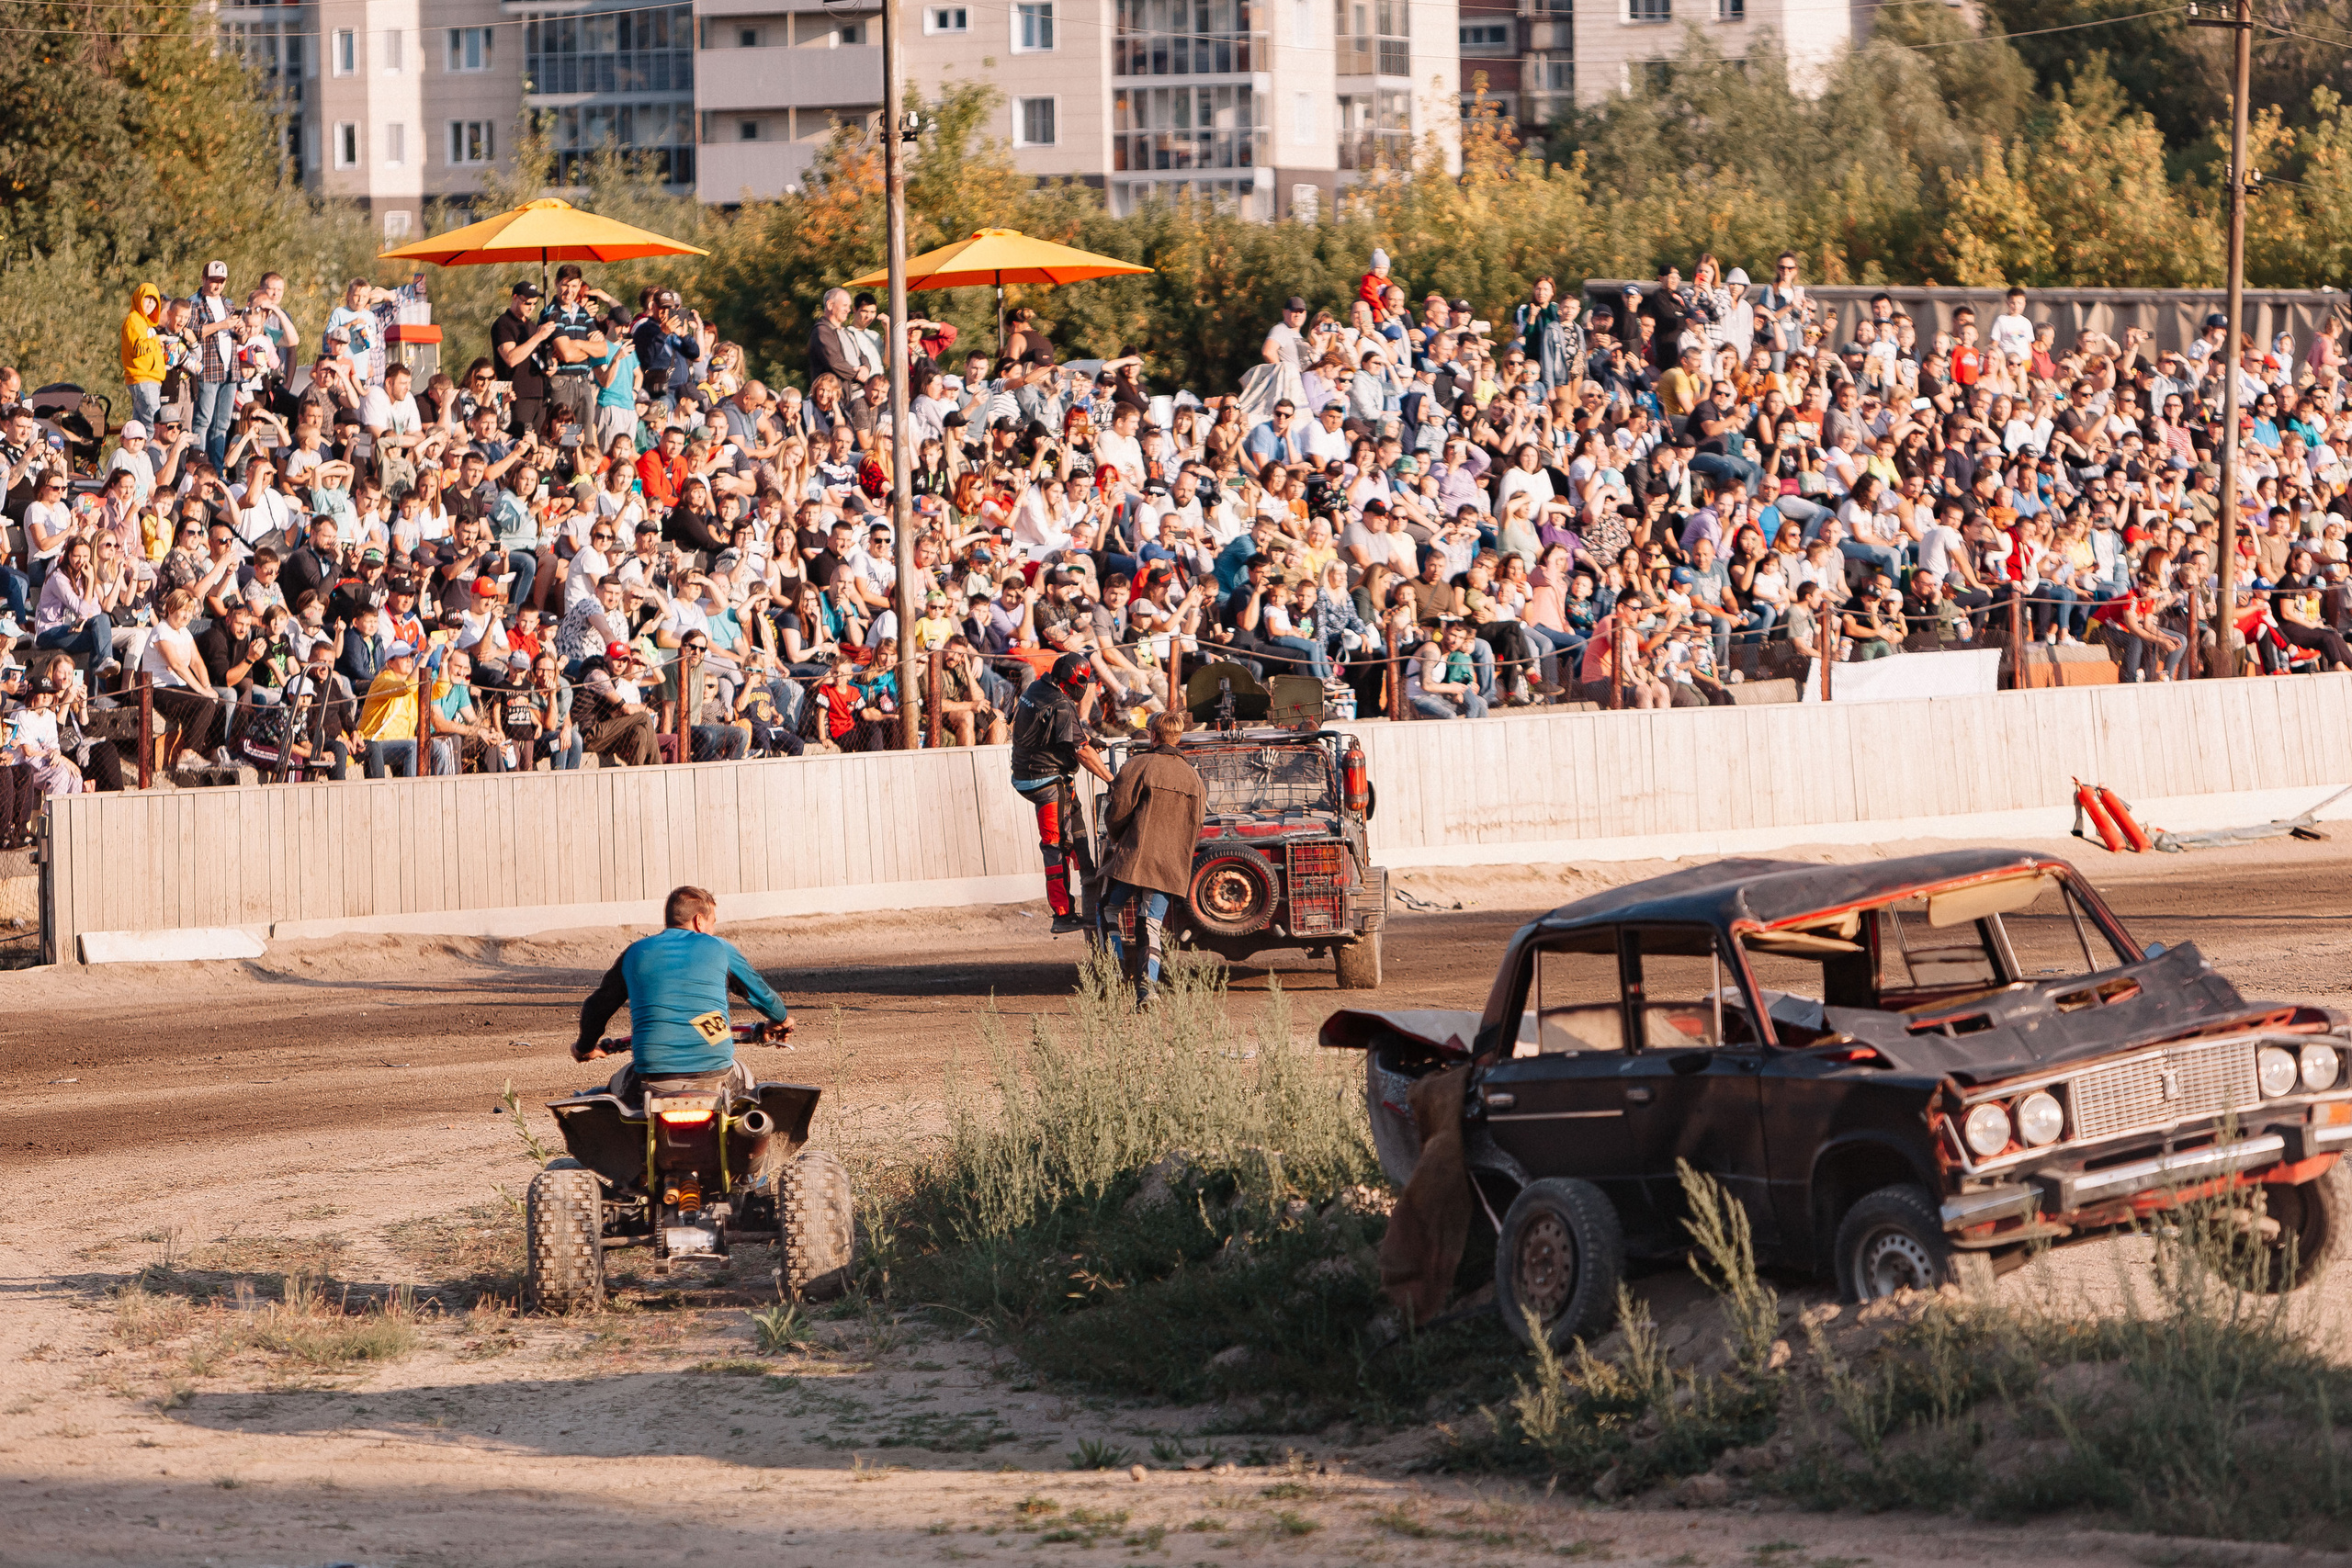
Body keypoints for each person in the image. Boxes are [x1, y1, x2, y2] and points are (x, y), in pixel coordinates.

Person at [571, 885, 793, 1115]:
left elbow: (596, 1008)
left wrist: (585, 1048)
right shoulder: (719, 948)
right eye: (713, 922)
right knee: (749, 1089)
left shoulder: (635, 953)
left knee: (610, 1092)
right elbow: (764, 997)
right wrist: (782, 1019)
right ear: (699, 921)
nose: (713, 930)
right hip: (715, 1076)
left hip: (653, 1079)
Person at [1095, 709, 1204, 1005]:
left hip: (1136, 860)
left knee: (1107, 909)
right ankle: (1147, 991)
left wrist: (1118, 837)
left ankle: (1114, 974)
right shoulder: (1193, 778)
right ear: (1178, 737)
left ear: (1154, 735)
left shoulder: (1139, 764)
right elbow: (1198, 823)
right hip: (1171, 866)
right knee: (1150, 923)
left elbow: (1117, 811)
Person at [1010, 650, 1115, 934]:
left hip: (1037, 775)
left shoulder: (1039, 686)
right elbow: (1081, 752)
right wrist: (1111, 779)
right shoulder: (1061, 705)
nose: (1080, 688)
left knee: (1074, 825)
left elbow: (1058, 731)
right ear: (1069, 681)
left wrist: (1088, 738)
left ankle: (1086, 870)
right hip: (1044, 781)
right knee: (1054, 847)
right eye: (1078, 683)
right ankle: (1062, 913)